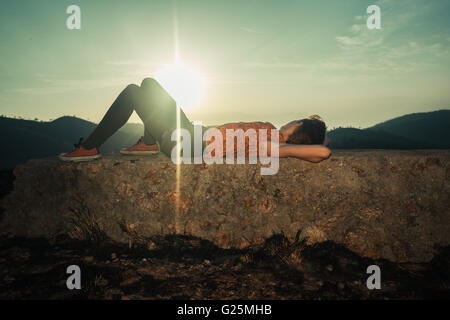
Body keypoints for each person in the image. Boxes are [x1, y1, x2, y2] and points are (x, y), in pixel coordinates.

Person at [59, 78, 331, 163]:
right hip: (192, 132)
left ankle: (91, 146)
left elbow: (322, 152)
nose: (291, 121)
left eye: (296, 121)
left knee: (133, 93)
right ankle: (149, 141)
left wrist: (291, 148)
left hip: (185, 144)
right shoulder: (269, 131)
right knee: (148, 84)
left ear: (298, 129)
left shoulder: (271, 147)